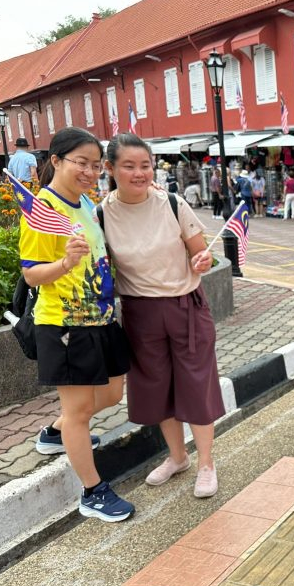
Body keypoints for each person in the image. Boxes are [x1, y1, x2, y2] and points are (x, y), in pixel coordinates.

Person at [100, 133, 224, 498]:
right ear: (110, 169)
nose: (139, 173)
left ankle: (206, 463)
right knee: (157, 389)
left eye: (145, 165)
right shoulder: (101, 214)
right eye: (129, 166)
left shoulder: (171, 203)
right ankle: (177, 456)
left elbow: (202, 256)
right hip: (139, 311)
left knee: (196, 385)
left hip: (185, 304)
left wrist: (203, 261)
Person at [20, 127, 133, 522]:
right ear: (55, 160)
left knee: (113, 393)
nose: (90, 172)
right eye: (81, 163)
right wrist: (66, 263)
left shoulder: (85, 202)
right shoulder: (42, 210)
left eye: (96, 166)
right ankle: (92, 492)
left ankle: (57, 432)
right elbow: (32, 275)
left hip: (101, 318)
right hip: (65, 324)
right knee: (81, 410)